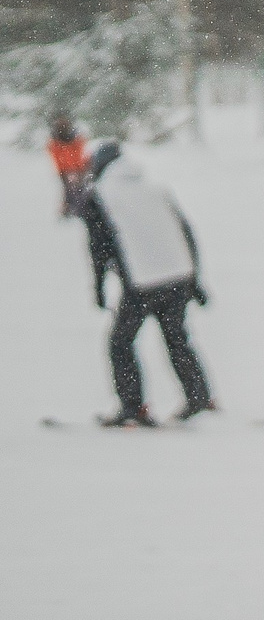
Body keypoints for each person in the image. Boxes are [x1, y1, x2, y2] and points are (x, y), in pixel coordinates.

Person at [76, 142, 215, 427]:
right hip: (178, 276)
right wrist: (195, 280)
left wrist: (99, 289)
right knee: (177, 338)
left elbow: (99, 250)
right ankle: (200, 397)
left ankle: (132, 408)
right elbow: (185, 231)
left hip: (143, 281)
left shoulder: (99, 196)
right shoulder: (155, 188)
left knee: (120, 342)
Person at [48, 116, 88, 216]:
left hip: (75, 169)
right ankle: (73, 208)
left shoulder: (73, 138)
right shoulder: (56, 140)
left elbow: (80, 151)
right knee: (70, 190)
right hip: (67, 169)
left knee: (75, 189)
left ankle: (76, 208)